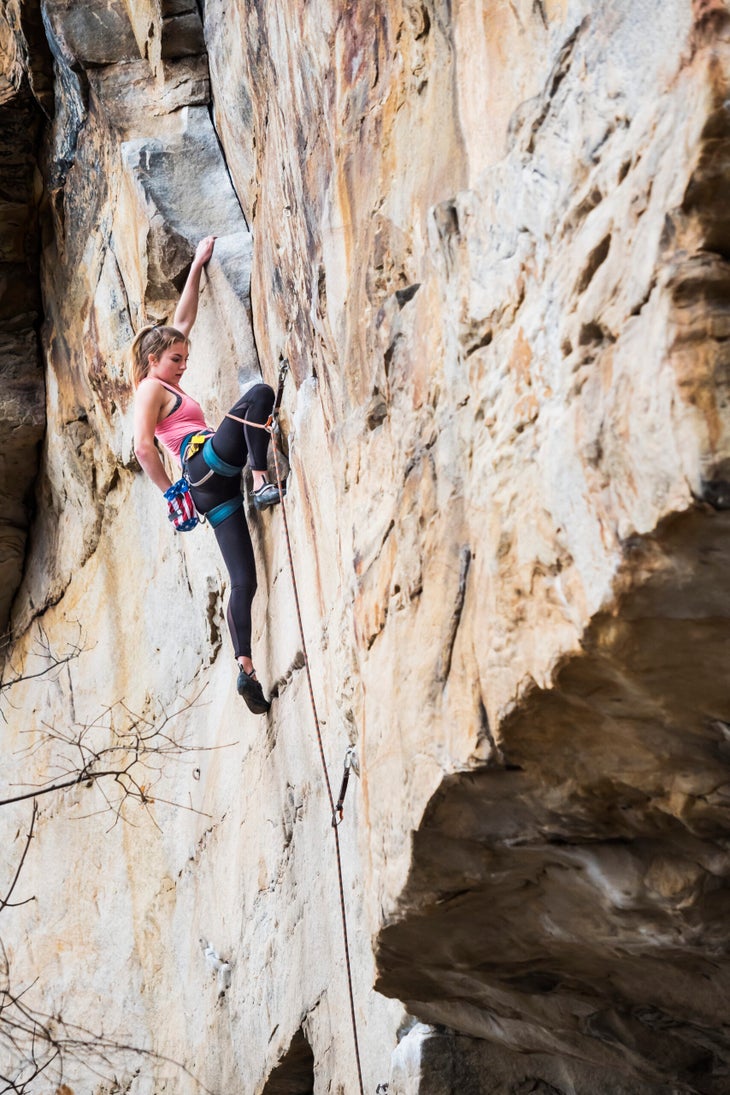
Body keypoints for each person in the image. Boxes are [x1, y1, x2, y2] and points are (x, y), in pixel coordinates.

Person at [131, 235, 282, 715]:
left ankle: (246, 669)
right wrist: (168, 490)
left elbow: (182, 321)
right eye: (176, 360)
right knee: (259, 395)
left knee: (244, 581)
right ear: (153, 361)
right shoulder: (150, 388)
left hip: (208, 491)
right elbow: (142, 446)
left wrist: (196, 265)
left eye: (184, 360)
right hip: (202, 467)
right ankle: (261, 481)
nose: (182, 366)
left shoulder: (162, 375)